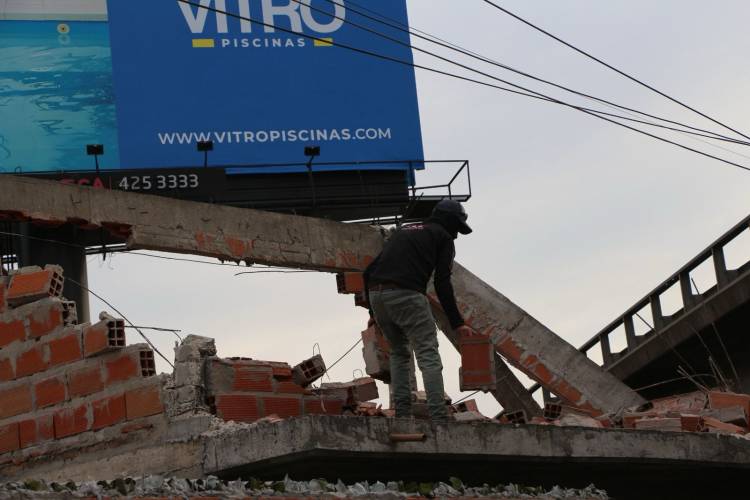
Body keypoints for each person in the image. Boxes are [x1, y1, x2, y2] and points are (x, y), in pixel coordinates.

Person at [363, 199, 476, 421]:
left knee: (399, 352)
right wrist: (458, 323)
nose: (456, 236)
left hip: (378, 296)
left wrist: (372, 314)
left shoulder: (403, 232)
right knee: (428, 353)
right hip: (407, 294)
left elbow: (368, 272)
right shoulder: (442, 237)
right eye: (457, 229)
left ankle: (403, 416)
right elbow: (443, 283)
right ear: (449, 222)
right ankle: (438, 418)